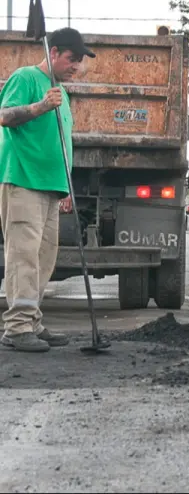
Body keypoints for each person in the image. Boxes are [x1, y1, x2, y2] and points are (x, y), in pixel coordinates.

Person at [0, 27, 95, 352]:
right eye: (72, 59)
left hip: (51, 187)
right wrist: (40, 106)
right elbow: (4, 116)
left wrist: (66, 186)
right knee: (23, 256)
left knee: (43, 257)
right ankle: (16, 327)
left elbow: (60, 142)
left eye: (80, 61)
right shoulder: (26, 78)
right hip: (24, 180)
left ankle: (31, 321)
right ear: (53, 52)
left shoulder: (61, 92)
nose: (76, 67)